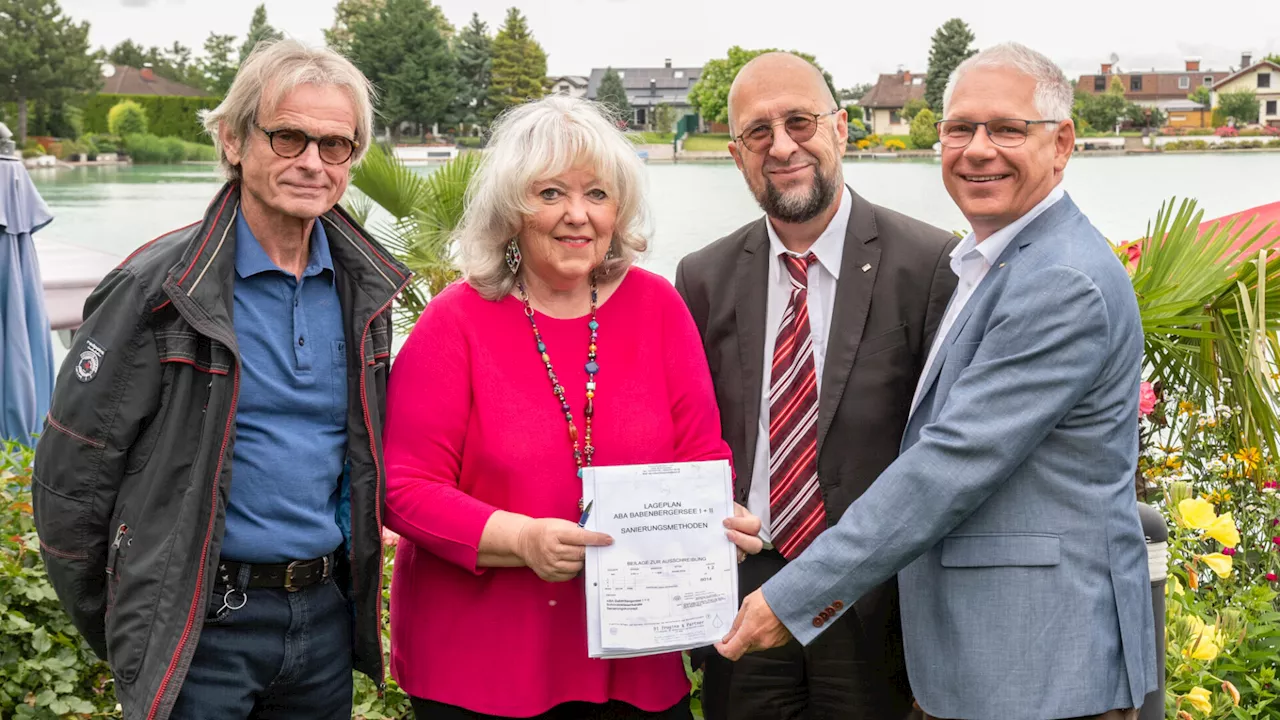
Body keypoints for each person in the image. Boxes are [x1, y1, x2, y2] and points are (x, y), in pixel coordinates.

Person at [715, 42, 1157, 720]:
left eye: (1007, 129)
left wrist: (794, 595)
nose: (978, 150)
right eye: (959, 129)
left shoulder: (1059, 280)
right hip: (992, 663)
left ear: (1063, 142)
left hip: (1038, 665)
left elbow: (951, 464)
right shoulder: (995, 263)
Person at [31, 40, 406, 720]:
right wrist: (138, 630)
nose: (312, 163)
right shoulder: (158, 288)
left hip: (322, 621)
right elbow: (71, 487)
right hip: (202, 628)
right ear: (234, 139)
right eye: (289, 136)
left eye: (335, 145)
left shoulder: (365, 291)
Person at [381, 94, 764, 720]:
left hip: (636, 657)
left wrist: (716, 519)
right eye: (551, 193)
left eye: (598, 195)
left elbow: (700, 457)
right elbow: (404, 487)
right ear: (511, 210)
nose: (577, 216)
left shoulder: (658, 307)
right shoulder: (455, 320)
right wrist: (521, 538)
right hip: (479, 663)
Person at [674, 52, 957, 719]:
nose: (781, 146)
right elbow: (686, 433)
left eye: (799, 121)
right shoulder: (703, 278)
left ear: (842, 128)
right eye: (757, 133)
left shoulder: (930, 265)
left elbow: (946, 452)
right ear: (736, 153)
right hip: (748, 588)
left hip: (871, 599)